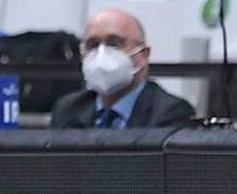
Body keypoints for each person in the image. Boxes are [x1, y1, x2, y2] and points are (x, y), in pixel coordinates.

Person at [50, 8, 194, 129]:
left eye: (114, 44)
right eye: (92, 45)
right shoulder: (67, 110)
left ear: (143, 55)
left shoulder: (170, 113)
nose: (101, 54)